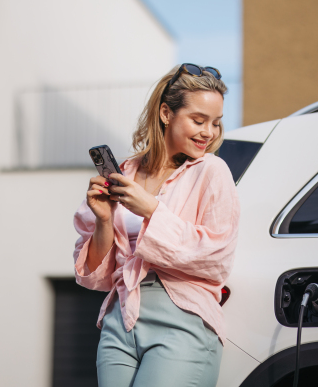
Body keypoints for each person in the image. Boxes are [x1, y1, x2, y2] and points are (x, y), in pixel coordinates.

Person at [73, 64, 240, 387]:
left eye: (216, 123)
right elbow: (94, 275)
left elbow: (216, 256)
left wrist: (150, 208)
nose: (209, 132)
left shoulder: (212, 171)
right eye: (198, 120)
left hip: (182, 320)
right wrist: (104, 221)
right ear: (166, 113)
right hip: (120, 320)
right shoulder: (126, 173)